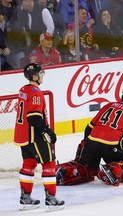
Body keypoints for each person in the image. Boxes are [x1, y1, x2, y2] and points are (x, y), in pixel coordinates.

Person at [56, 89, 123, 186]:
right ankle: (112, 170)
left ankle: (70, 172)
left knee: (86, 168)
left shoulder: (108, 105)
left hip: (92, 142)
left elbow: (89, 127)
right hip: (111, 146)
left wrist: (85, 142)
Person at [14, 63, 64, 211]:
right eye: (40, 74)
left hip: (22, 135)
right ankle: (51, 199)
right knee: (49, 164)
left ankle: (25, 198)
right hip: (34, 135)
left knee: (28, 165)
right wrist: (47, 131)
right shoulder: (36, 92)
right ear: (34, 76)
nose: (42, 76)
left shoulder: (23, 90)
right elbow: (34, 117)